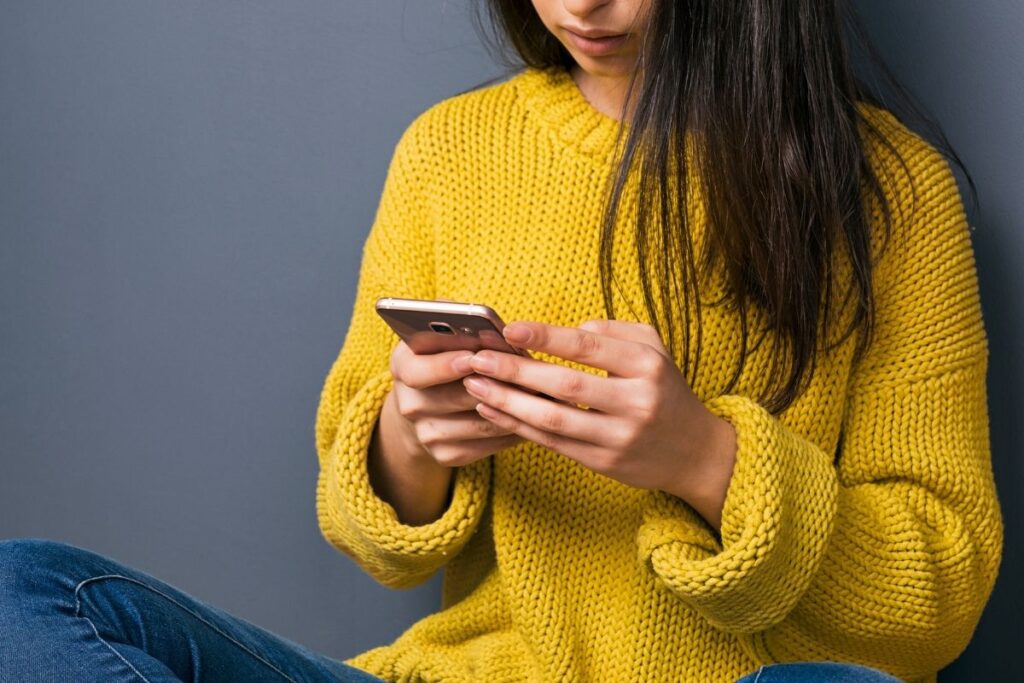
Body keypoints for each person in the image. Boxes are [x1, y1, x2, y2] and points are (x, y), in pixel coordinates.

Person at [0, 1, 1002, 682]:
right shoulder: (450, 152)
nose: (580, 4)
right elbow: (362, 524)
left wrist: (705, 458)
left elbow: (938, 599)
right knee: (26, 592)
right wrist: (411, 434)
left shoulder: (893, 194)